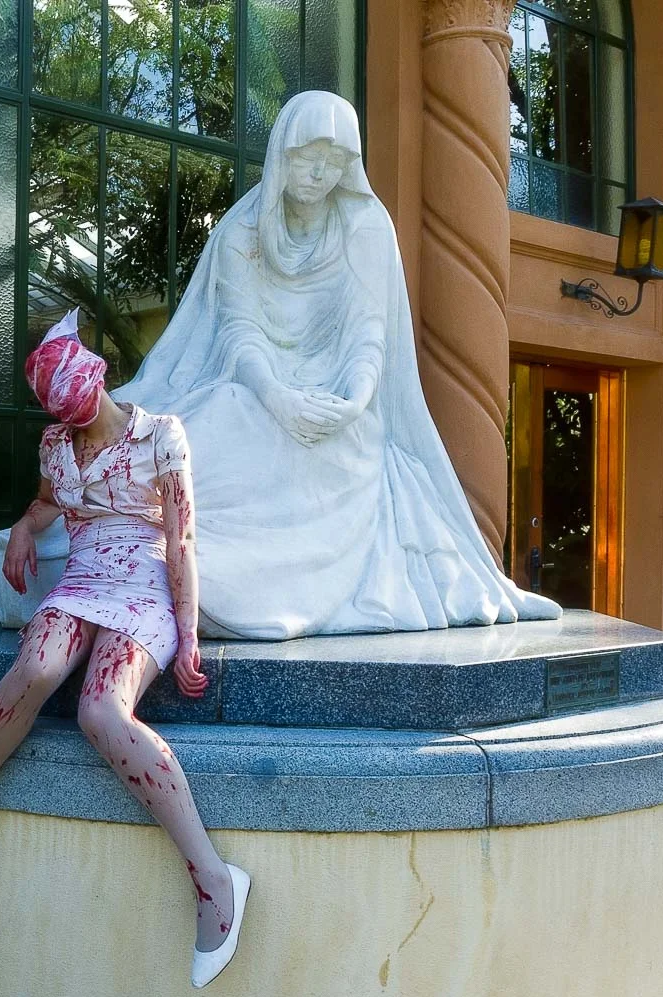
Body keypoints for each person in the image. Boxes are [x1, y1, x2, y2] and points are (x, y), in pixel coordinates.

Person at [114, 90, 560, 638]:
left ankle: (261, 586)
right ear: (283, 154)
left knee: (352, 443)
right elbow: (239, 330)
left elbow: (368, 332)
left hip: (340, 402)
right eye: (307, 156)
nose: (319, 172)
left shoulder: (365, 227)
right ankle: (155, 557)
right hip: (257, 391)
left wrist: (354, 400)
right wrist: (278, 397)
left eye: (334, 159)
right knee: (207, 428)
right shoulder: (242, 233)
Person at [0, 310, 251, 990]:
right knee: (33, 667)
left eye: (83, 406)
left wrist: (187, 634)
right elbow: (46, 502)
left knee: (102, 712)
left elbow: (181, 540)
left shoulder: (161, 436)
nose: (78, 424)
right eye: (67, 415)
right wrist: (21, 527)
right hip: (81, 580)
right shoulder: (56, 444)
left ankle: (215, 881)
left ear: (97, 379)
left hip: (143, 588)